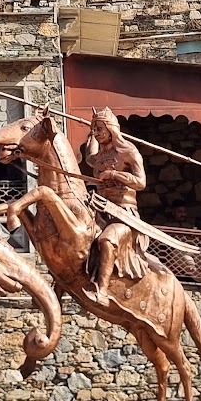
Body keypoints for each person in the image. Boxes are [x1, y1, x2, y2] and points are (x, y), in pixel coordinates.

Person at [83, 106, 149, 307]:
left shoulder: (128, 152)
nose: (97, 134)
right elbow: (89, 156)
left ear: (112, 130)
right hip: (101, 209)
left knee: (107, 239)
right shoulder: (99, 157)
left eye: (100, 130)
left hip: (123, 213)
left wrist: (114, 175)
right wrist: (91, 128)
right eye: (95, 130)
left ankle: (102, 291)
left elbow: (141, 182)